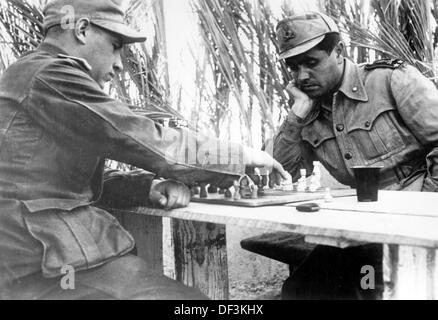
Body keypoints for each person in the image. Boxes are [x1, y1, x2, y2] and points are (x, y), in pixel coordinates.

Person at [0, 0, 288, 300]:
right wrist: (239, 156)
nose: (119, 64)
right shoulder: (50, 75)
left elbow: (60, 182)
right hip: (38, 269)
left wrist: (146, 186)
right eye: (115, 45)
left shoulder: (32, 74)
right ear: (82, 29)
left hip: (40, 258)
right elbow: (145, 138)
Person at [272, 11, 438, 299]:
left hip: (420, 220)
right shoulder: (308, 109)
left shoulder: (390, 80)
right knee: (299, 291)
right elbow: (282, 173)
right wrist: (297, 115)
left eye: (311, 63)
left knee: (369, 290)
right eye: (293, 67)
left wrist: (422, 204)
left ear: (338, 51)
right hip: (360, 227)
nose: (301, 76)